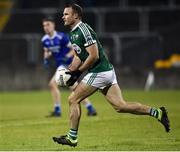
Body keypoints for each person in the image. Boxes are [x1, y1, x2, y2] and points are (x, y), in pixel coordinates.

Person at [52, 3, 170, 147]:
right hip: (105, 71)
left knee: (73, 99)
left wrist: (77, 73)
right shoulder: (73, 32)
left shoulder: (84, 30)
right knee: (120, 106)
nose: (63, 16)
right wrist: (70, 70)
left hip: (100, 72)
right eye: (63, 14)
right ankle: (158, 113)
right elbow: (78, 55)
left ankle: (72, 138)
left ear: (75, 15)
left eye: (66, 14)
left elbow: (93, 56)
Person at [41, 17, 97, 117]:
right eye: (44, 25)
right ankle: (90, 108)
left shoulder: (61, 37)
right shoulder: (44, 39)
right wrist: (45, 59)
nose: (46, 27)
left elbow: (74, 49)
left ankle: (57, 110)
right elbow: (47, 51)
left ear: (53, 25)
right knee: (74, 87)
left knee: (52, 84)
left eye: (48, 24)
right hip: (60, 65)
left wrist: (66, 57)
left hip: (68, 64)